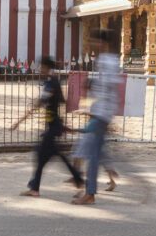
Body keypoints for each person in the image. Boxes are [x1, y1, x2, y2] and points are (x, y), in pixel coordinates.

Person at [14, 56, 84, 197]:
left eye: (42, 66)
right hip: (54, 125)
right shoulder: (52, 82)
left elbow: (43, 100)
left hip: (53, 127)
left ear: (47, 67)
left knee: (42, 154)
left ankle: (36, 188)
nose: (41, 69)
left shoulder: (51, 83)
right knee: (48, 155)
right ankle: (77, 179)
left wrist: (22, 118)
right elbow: (60, 101)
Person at [72, 29, 122, 205]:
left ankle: (90, 192)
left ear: (104, 43)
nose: (93, 45)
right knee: (98, 151)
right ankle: (107, 174)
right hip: (101, 113)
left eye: (96, 41)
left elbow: (108, 90)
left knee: (92, 154)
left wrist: (95, 112)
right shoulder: (108, 61)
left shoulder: (107, 62)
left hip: (100, 115)